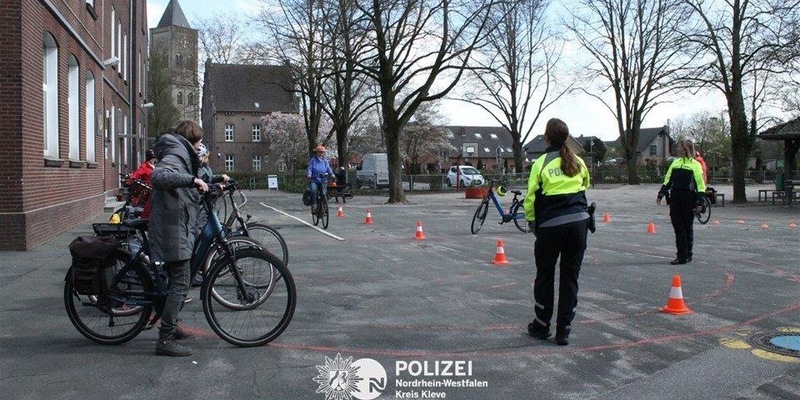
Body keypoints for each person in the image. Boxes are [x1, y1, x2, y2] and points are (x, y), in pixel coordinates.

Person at [523, 118, 591, 346]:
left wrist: (532, 223)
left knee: (545, 275)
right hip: (579, 225)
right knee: (570, 277)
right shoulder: (579, 161)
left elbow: (531, 198)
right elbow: (585, 187)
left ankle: (542, 325)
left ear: (547, 137)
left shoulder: (540, 163)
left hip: (551, 226)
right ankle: (564, 329)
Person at [149, 120, 209, 357]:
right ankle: (165, 339)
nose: (201, 146)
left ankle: (171, 324)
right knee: (181, 281)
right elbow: (160, 177)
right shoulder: (176, 153)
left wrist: (213, 183)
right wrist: (192, 180)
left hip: (176, 223)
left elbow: (185, 184)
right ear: (191, 139)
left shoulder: (180, 153)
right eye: (200, 141)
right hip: (172, 227)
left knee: (178, 281)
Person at [657, 139, 706, 265]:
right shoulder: (675, 163)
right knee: (678, 226)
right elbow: (668, 179)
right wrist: (661, 193)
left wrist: (701, 201)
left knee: (687, 226)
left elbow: (700, 184)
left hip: (688, 197)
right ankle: (681, 255)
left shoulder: (695, 164)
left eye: (680, 147)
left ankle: (688, 254)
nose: (677, 149)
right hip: (675, 196)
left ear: (686, 150)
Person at [124, 149, 156, 218]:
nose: (154, 160)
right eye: (153, 158)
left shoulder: (155, 166)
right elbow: (137, 173)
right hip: (148, 190)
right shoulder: (144, 166)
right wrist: (131, 178)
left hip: (155, 189)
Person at [307, 144, 334, 213]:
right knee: (313, 190)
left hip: (323, 180)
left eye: (322, 152)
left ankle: (324, 206)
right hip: (314, 180)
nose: (321, 153)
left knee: (324, 193)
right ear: (316, 152)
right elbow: (310, 168)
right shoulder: (313, 160)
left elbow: (328, 168)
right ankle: (314, 205)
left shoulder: (325, 161)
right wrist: (309, 174)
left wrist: (332, 174)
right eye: (319, 152)